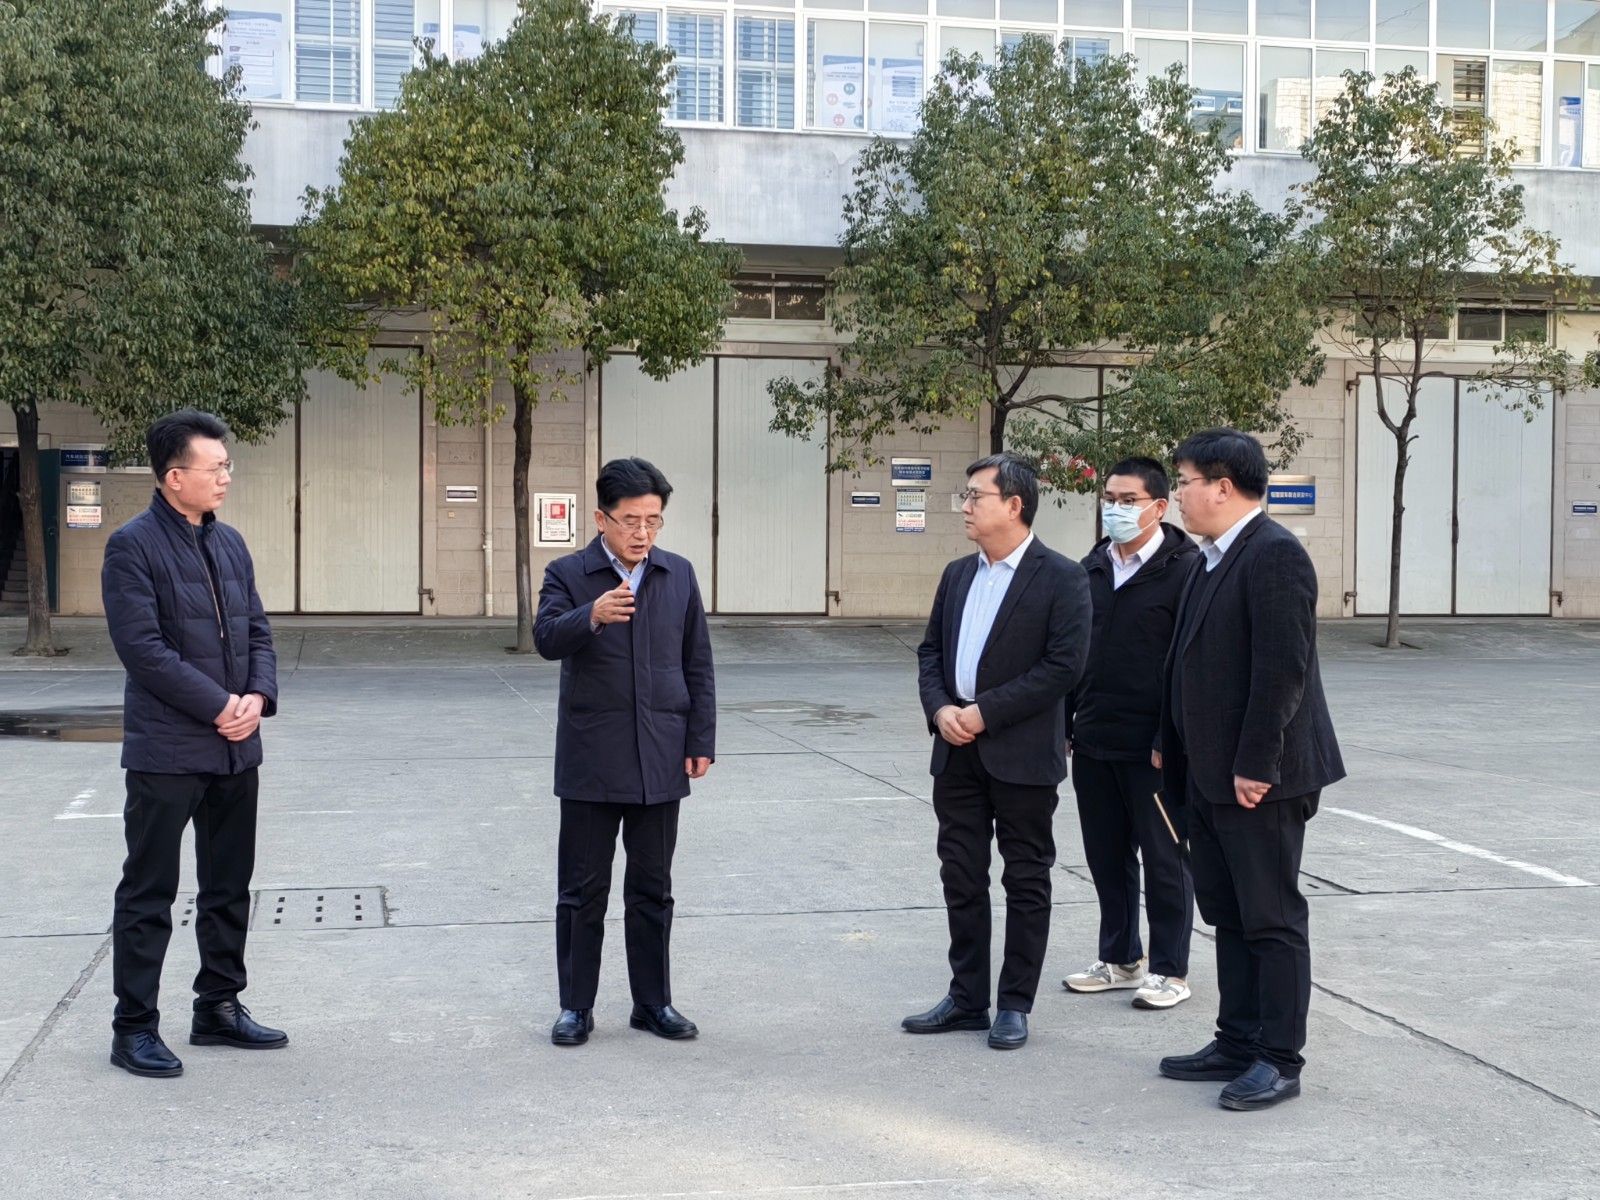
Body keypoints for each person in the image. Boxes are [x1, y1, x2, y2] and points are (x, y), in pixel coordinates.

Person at [1155, 428, 1345, 1111]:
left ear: (1223, 486)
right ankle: (1236, 1040)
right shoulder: (1209, 559)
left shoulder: (1274, 555)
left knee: (1271, 918)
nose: (1179, 494)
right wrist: (1167, 743)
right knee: (1230, 915)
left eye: (1184, 482)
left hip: (1259, 778)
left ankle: (1279, 1058)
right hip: (1208, 773)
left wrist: (1256, 765)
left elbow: (1281, 671)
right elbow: (1185, 663)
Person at [101, 410, 284, 1079]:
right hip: (168, 750)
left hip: (235, 749)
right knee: (149, 892)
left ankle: (218, 1007)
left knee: (228, 886)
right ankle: (134, 1028)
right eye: (216, 468)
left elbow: (258, 629)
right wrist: (220, 706)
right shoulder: (132, 546)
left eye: (227, 466)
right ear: (174, 477)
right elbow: (143, 650)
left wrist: (257, 698)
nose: (226, 477)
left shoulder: (230, 543)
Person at [905, 453, 1092, 1050]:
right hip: (956, 750)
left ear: (1014, 505)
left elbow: (1063, 667)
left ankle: (1014, 1004)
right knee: (960, 875)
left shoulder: (1062, 577)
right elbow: (930, 653)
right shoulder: (958, 574)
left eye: (974, 496)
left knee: (1026, 878)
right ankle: (967, 998)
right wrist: (941, 710)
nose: (964, 506)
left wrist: (985, 712)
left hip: (1022, 754)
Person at [534, 457, 715, 1047]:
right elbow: (545, 638)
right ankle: (575, 1007)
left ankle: (653, 1003)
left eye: (653, 521)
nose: (642, 533)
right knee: (581, 891)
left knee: (652, 889)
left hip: (660, 755)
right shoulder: (568, 573)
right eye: (631, 520)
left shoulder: (677, 574)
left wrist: (700, 739)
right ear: (601, 519)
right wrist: (591, 615)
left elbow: (697, 662)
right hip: (592, 758)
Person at [1062, 458, 1199, 1011]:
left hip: (1155, 747)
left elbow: (1189, 663)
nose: (1115, 509)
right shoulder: (1091, 568)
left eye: (1128, 500)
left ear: (1159, 507)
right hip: (1095, 737)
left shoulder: (1186, 570)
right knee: (1106, 855)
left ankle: (1170, 969)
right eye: (1110, 498)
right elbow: (1069, 652)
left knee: (1165, 859)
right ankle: (1120, 958)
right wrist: (1067, 722)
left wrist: (1171, 737)